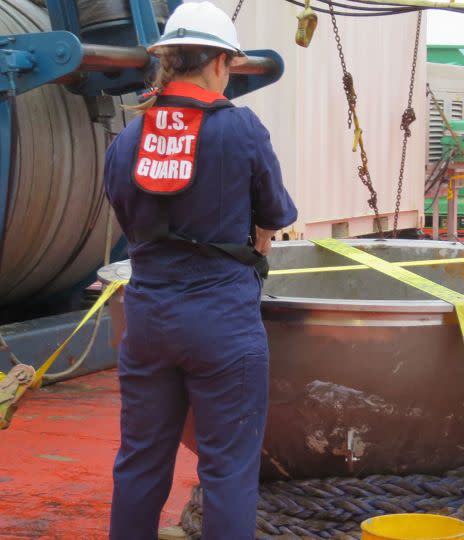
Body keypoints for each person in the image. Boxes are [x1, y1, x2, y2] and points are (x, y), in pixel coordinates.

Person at [102, 2, 297, 539]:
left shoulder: (126, 140)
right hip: (222, 321)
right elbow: (275, 216)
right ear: (220, 63)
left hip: (146, 320)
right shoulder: (239, 129)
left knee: (140, 460)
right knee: (228, 470)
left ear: (168, 60)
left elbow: (130, 221)